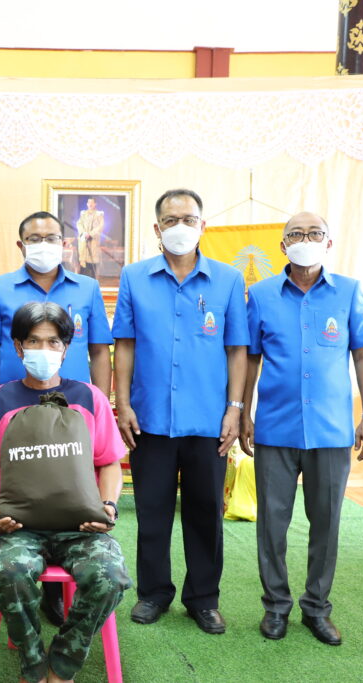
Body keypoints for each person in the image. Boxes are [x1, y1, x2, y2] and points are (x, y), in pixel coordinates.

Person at [0, 302, 129, 683]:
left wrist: (107, 506)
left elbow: (108, 463)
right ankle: (33, 663)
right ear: (18, 347)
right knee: (8, 571)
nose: (43, 350)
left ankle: (63, 663)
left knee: (110, 573)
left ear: (66, 348)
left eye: (53, 342)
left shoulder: (89, 399)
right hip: (17, 529)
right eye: (33, 341)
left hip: (81, 528)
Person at [240, 212, 363, 645]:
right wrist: (243, 412)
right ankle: (275, 606)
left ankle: (317, 608)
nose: (306, 240)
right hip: (275, 428)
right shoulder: (261, 294)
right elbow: (250, 358)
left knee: (326, 523)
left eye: (315, 233)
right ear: (283, 245)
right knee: (272, 525)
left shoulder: (349, 291)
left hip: (331, 430)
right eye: (296, 234)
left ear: (328, 243)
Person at [113, 188, 248, 634]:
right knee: (151, 511)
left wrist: (234, 409)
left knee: (205, 512)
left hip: (208, 420)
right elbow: (125, 345)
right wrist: (123, 404)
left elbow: (237, 349)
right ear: (157, 228)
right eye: (170, 220)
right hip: (149, 418)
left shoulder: (228, 280)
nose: (180, 227)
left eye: (189, 219)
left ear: (202, 226)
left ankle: (203, 599)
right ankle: (153, 593)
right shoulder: (134, 277)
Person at [0, 210, 112, 625]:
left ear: (65, 243)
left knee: (65, 487)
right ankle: (38, 595)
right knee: (31, 489)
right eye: (34, 238)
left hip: (73, 410)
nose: (43, 244)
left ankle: (58, 600)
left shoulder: (87, 288)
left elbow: (100, 350)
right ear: (20, 244)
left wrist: (101, 403)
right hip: (17, 409)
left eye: (51, 237)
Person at [76, 197, 104, 278]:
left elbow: (100, 226)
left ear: (95, 204)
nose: (90, 204)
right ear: (87, 204)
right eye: (89, 203)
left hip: (93, 241)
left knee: (92, 261)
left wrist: (91, 234)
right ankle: (83, 279)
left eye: (92, 203)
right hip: (84, 240)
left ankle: (93, 279)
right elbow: (79, 224)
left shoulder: (99, 214)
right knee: (83, 261)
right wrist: (84, 233)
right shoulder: (83, 214)